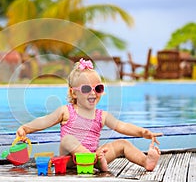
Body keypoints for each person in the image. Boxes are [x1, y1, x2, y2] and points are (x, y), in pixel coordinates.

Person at [16, 58, 162, 171]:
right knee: (68, 140)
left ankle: (146, 162)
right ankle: (93, 159)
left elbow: (122, 126)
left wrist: (143, 132)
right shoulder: (66, 111)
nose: (93, 93)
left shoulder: (101, 115)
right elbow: (44, 121)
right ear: (73, 93)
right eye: (86, 89)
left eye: (97, 88)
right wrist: (26, 128)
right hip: (70, 160)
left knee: (122, 144)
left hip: (95, 157)